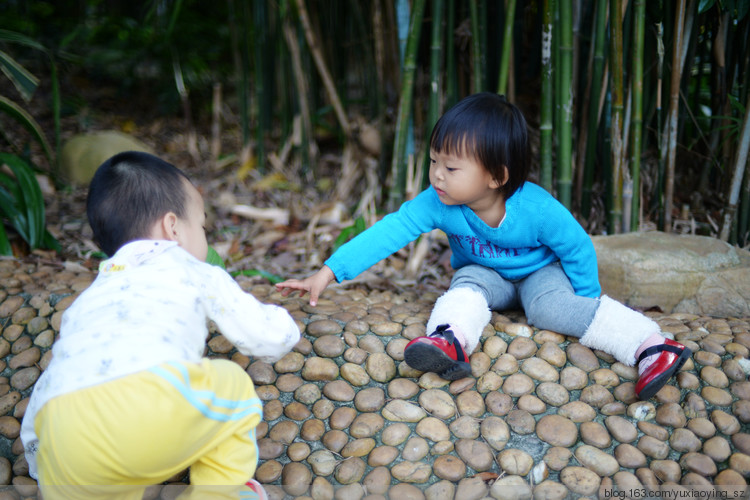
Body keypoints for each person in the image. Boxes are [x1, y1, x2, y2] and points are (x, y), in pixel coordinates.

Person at [277, 92, 690, 401]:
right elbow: (391, 230)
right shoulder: (438, 202)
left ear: (496, 176)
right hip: (484, 272)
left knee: (547, 309)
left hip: (539, 274)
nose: (437, 175)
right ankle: (449, 341)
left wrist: (584, 302)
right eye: (434, 160)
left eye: (451, 167)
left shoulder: (537, 209)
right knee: (464, 288)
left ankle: (650, 344)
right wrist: (328, 272)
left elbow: (578, 247)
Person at [21, 151, 299, 500]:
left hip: (63, 438)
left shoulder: (88, 300)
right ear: (172, 228)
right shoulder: (189, 266)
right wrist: (287, 325)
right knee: (232, 383)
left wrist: (39, 460)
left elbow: (49, 386)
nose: (204, 237)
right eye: (201, 226)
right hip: (148, 407)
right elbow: (265, 336)